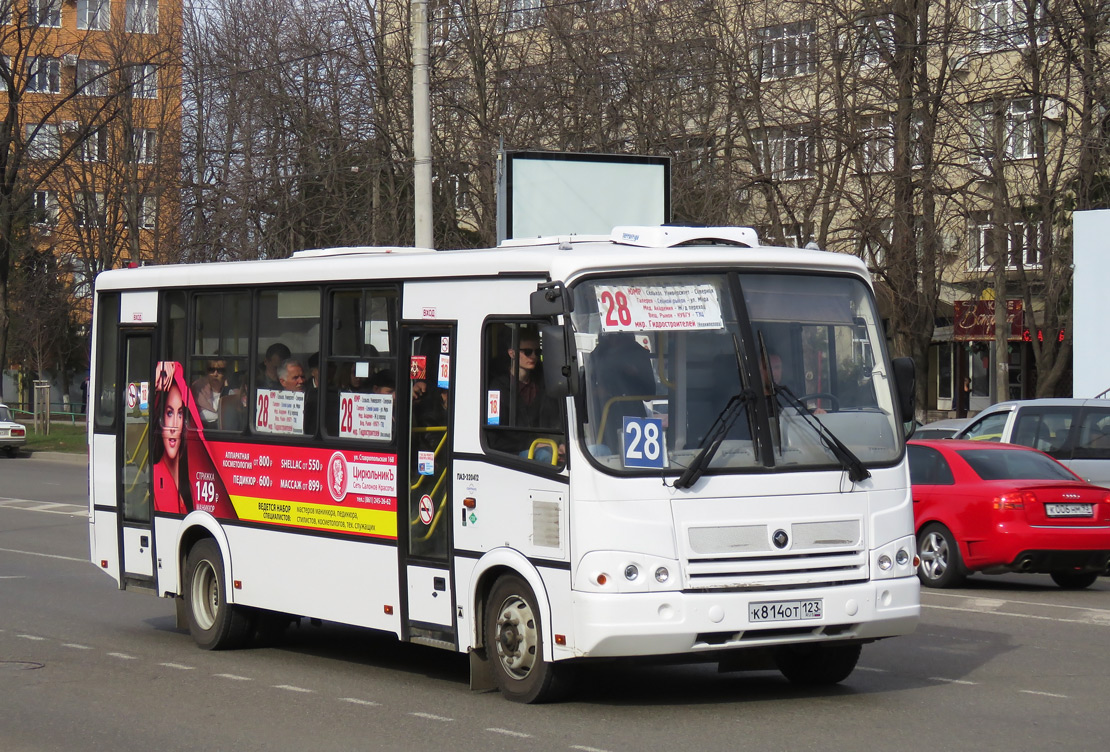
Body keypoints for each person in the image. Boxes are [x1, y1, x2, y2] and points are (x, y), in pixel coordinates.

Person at [488, 328, 563, 462]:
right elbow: (495, 439)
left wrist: (561, 442)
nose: (533, 356)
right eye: (528, 352)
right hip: (514, 452)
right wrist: (533, 445)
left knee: (600, 450)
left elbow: (555, 420)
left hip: (547, 444)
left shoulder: (545, 383)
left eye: (537, 352)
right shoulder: (497, 389)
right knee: (545, 456)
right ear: (512, 353)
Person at [152, 362, 190, 514]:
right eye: (169, 413)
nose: (174, 426)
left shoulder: (191, 480)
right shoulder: (154, 476)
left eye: (180, 414)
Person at [191, 358, 226, 430]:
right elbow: (199, 415)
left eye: (219, 371)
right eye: (211, 370)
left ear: (226, 373)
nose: (215, 374)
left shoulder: (232, 390)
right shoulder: (199, 388)